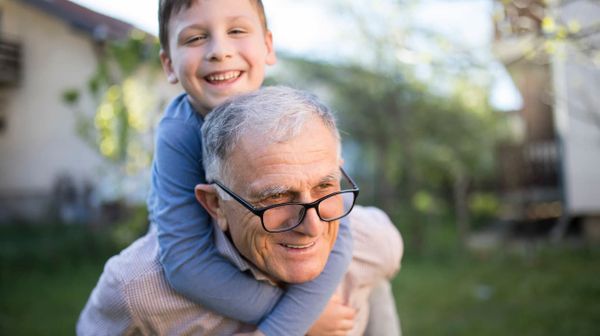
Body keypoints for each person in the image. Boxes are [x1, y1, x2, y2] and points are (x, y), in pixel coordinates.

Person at [77, 86, 403, 335]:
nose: (313, 228)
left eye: (324, 186)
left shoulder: (374, 242)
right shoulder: (137, 290)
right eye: (277, 197)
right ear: (216, 204)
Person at [148, 0, 354, 335]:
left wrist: (295, 314)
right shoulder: (178, 134)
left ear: (268, 47)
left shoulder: (288, 119)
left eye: (237, 31)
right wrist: (292, 320)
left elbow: (341, 232)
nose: (220, 51)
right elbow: (186, 263)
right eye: (195, 38)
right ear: (169, 64)